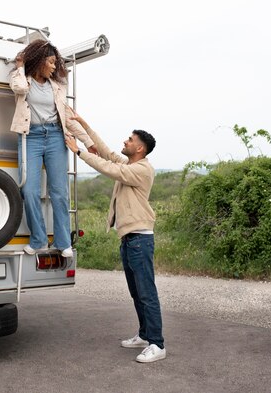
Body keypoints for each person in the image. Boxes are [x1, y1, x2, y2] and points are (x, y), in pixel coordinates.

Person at [63, 112, 166, 363]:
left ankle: (157, 344)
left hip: (140, 239)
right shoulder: (131, 164)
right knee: (136, 292)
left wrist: (79, 152)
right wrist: (83, 124)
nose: (125, 141)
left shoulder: (142, 170)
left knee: (147, 293)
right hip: (129, 239)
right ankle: (144, 335)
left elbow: (106, 166)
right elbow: (107, 153)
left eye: (130, 140)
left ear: (139, 148)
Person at [9, 39, 97, 257]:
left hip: (56, 136)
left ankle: (63, 241)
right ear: (39, 61)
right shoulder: (23, 79)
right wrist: (20, 66)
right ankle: (38, 239)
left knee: (59, 192)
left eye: (55, 63)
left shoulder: (57, 87)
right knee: (29, 191)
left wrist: (88, 141)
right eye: (50, 62)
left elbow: (67, 117)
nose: (54, 67)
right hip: (31, 137)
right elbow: (18, 88)